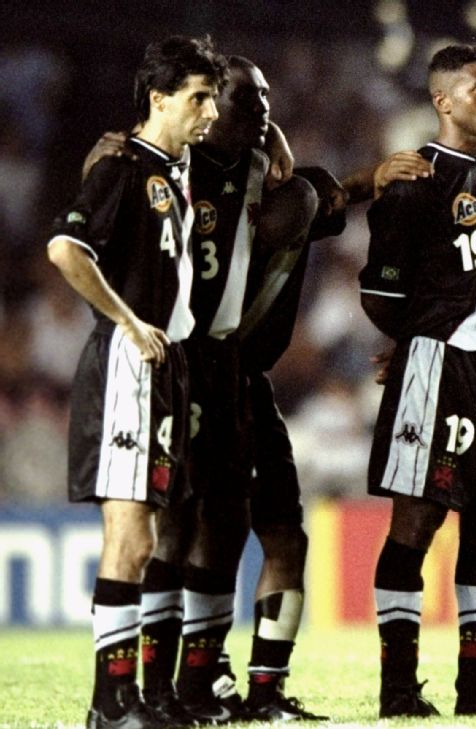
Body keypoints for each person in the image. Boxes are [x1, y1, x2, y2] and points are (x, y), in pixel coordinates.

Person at [48, 35, 226, 729]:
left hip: (168, 365)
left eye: (211, 96)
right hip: (132, 362)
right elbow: (65, 248)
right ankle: (110, 701)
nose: (210, 111)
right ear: (159, 99)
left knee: (153, 536)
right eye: (198, 98)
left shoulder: (176, 170)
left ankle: (141, 697)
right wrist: (127, 319)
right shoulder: (124, 168)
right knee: (129, 536)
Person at [361, 44, 476, 717]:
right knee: (419, 517)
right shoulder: (413, 180)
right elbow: (380, 289)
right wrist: (412, 340)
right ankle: (399, 690)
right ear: (444, 102)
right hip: (442, 366)